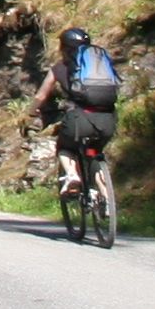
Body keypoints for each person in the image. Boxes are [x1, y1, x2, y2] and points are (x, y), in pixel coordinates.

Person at [31, 26, 121, 198]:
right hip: (108, 119)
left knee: (64, 147)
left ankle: (71, 174)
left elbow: (41, 95)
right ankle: (107, 199)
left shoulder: (59, 67)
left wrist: (30, 113)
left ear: (63, 47)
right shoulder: (98, 64)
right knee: (94, 152)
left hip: (79, 119)